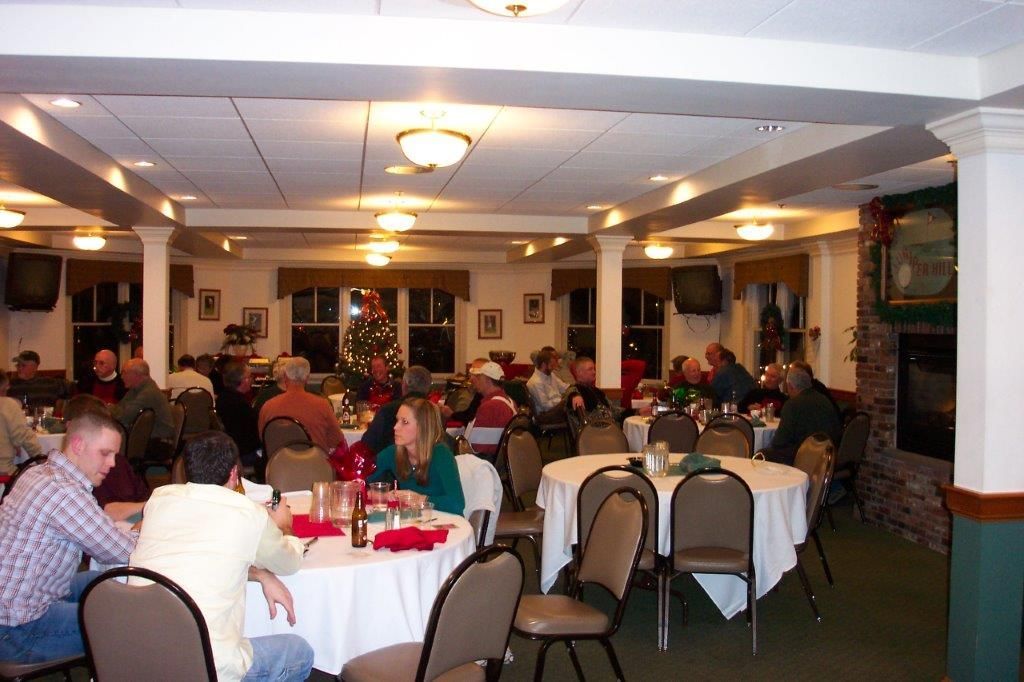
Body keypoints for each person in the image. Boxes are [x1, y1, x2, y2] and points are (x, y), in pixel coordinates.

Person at [130, 431, 313, 682]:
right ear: (234, 474)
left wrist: (258, 573)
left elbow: (194, 557)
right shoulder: (247, 514)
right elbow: (289, 563)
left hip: (138, 655)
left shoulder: (159, 499)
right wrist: (285, 527)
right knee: (299, 652)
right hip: (205, 666)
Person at [0, 411, 137, 663]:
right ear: (78, 445)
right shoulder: (63, 492)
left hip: (19, 602)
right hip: (16, 630)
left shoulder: (39, 472)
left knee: (105, 580)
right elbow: (125, 551)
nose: (112, 464)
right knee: (130, 621)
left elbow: (99, 528)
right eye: (105, 453)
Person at [367, 398, 465, 515]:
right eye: (397, 420)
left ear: (423, 427)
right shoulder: (394, 452)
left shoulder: (441, 454)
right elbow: (358, 481)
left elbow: (457, 504)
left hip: (447, 524)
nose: (395, 427)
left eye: (405, 422)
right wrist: (380, 494)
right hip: (413, 521)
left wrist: (420, 499)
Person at [66, 394, 150, 522]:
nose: (112, 462)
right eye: (104, 453)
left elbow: (144, 495)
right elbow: (107, 512)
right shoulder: (73, 483)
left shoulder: (119, 462)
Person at [258, 357, 342, 453]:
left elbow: (263, 438)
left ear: (285, 376)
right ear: (307, 378)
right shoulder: (322, 405)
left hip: (279, 464)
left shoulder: (268, 407)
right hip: (314, 464)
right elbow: (337, 440)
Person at [763, 366, 842, 466]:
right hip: (828, 453)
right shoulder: (824, 400)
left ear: (790, 386)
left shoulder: (792, 405)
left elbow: (780, 442)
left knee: (763, 454)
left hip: (804, 456)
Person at [110, 358, 176, 462]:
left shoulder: (148, 393)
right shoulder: (136, 389)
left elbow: (124, 417)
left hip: (159, 443)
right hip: (147, 439)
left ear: (136, 374)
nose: (121, 377)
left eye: (124, 373)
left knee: (111, 444)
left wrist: (108, 408)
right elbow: (119, 408)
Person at [361, 365, 432, 454]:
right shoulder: (435, 411)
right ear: (428, 387)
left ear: (404, 385)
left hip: (391, 465)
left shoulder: (388, 410)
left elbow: (367, 443)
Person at [463, 361, 516, 459]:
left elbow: (476, 447)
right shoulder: (510, 401)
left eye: (479, 377)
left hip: (483, 461)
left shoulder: (490, 407)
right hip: (503, 458)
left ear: (487, 380)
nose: (475, 381)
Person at [217, 362, 261, 473]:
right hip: (244, 455)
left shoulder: (223, 397)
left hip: (232, 450)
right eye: (250, 376)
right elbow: (255, 434)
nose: (252, 380)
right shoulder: (239, 404)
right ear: (243, 380)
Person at [0, 372, 41, 475]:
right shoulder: (7, 405)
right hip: (4, 474)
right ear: (4, 386)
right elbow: (24, 436)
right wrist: (41, 459)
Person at [526, 348, 569, 424]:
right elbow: (545, 406)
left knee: (574, 399)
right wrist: (562, 400)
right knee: (570, 406)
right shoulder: (535, 382)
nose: (553, 368)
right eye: (551, 365)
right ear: (543, 365)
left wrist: (574, 389)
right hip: (544, 415)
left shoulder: (551, 375)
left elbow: (564, 387)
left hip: (555, 409)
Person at [441, 358, 487, 426]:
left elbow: (470, 421)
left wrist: (451, 414)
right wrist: (451, 414)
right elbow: (468, 415)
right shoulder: (479, 394)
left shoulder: (489, 398)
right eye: (471, 374)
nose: (471, 379)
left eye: (476, 375)